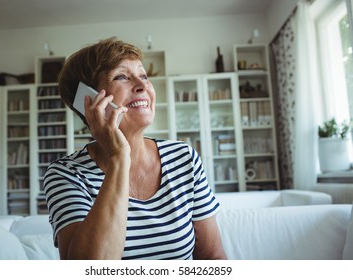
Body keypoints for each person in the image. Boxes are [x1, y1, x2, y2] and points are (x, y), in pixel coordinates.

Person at [44, 37, 227, 260]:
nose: (142, 86)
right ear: (88, 100)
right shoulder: (66, 174)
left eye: (143, 76)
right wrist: (119, 158)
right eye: (121, 77)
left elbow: (213, 258)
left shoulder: (184, 158)